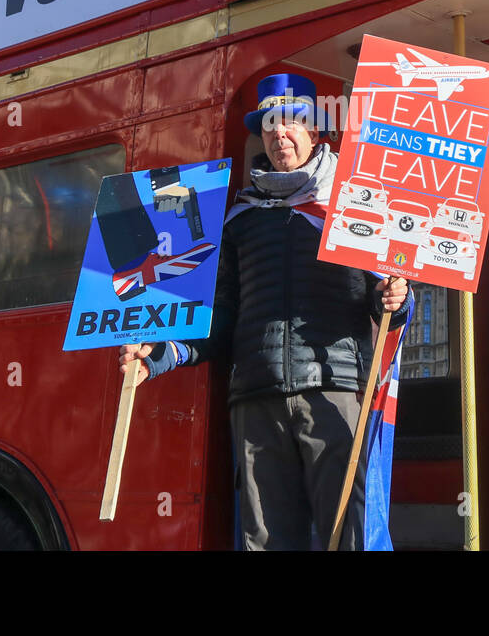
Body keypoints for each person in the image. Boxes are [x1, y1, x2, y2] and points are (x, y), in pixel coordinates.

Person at [118, 73, 411, 550]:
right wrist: (163, 351)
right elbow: (221, 316)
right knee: (264, 542)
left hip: (334, 393)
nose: (279, 134)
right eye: (270, 124)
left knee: (352, 536)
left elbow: (386, 302)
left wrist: (397, 302)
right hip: (255, 402)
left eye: (292, 122)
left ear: (315, 132)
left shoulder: (356, 205)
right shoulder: (237, 217)